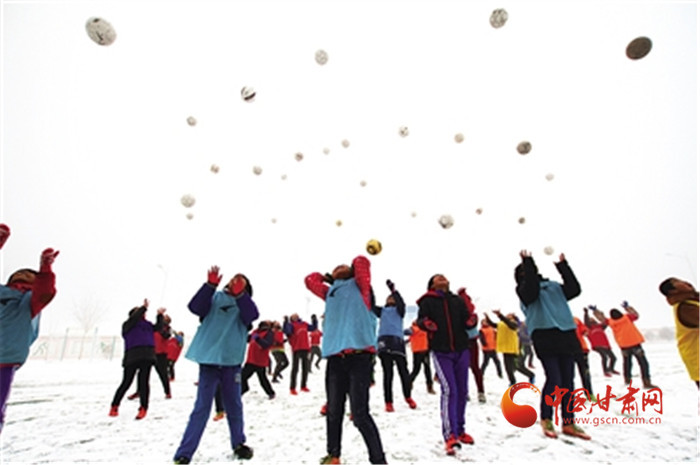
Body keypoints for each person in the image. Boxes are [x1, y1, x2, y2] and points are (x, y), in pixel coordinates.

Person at [305, 255, 386, 465]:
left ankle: (378, 460)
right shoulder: (330, 292)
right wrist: (327, 278)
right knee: (333, 411)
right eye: (336, 267)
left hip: (359, 357)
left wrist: (349, 271)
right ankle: (333, 456)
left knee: (360, 415)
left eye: (344, 266)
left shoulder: (362, 288)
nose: (339, 267)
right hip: (335, 359)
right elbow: (309, 280)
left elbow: (361, 261)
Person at [173, 267, 258, 463]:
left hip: (231, 363)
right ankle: (184, 453)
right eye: (233, 279)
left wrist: (241, 296)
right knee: (202, 408)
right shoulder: (215, 298)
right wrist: (209, 286)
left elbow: (252, 315)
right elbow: (195, 307)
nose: (235, 282)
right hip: (209, 363)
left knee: (234, 406)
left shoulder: (245, 305)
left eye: (240, 281)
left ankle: (239, 444)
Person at [515, 250, 590, 440]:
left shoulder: (554, 287)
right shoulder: (524, 291)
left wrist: (563, 267)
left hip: (566, 333)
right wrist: (528, 263)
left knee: (568, 381)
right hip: (544, 335)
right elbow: (531, 288)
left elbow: (574, 289)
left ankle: (569, 422)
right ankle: (546, 418)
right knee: (554, 378)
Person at [0, 225, 58, 434]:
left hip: (5, 361)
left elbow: (45, 292)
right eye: (19, 283)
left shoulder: (29, 303)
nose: (22, 288)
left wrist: (45, 269)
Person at [417, 274, 477, 456]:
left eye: (444, 277)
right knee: (449, 390)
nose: (442, 279)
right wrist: (426, 323)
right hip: (441, 351)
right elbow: (421, 320)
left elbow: (467, 320)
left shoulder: (457, 300)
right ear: (432, 284)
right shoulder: (427, 301)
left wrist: (471, 320)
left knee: (463, 391)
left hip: (462, 349)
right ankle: (450, 435)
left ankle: (460, 429)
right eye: (438, 278)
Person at [109, 299, 164, 419]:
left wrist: (159, 315)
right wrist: (143, 307)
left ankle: (143, 408)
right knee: (126, 382)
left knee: (144, 383)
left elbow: (158, 328)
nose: (143, 314)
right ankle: (114, 405)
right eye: (139, 312)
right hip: (132, 355)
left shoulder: (148, 325)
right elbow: (134, 318)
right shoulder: (128, 325)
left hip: (147, 355)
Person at [374, 279, 416, 412]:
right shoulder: (382, 311)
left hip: (397, 342)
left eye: (392, 298)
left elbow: (401, 303)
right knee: (388, 374)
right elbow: (370, 305)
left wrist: (393, 290)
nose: (390, 299)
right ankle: (388, 402)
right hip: (384, 342)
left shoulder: (400, 311)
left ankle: (408, 396)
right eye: (389, 298)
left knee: (403, 371)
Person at [592, 302, 656, 389]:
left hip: (624, 346)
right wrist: (627, 307)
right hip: (635, 343)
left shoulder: (611, 322)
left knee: (627, 363)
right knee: (643, 363)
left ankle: (627, 380)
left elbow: (601, 318)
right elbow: (636, 315)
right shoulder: (627, 317)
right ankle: (646, 381)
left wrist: (595, 311)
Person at [659, 278, 699, 388]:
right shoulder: (685, 308)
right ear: (673, 291)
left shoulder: (693, 301)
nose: (685, 282)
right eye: (678, 282)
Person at [487, 311, 535, 386]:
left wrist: (500, 315)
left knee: (518, 366)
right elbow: (494, 325)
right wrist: (487, 318)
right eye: (507, 315)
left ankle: (531, 375)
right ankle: (512, 381)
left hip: (515, 349)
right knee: (508, 368)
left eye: (510, 315)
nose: (508, 316)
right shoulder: (502, 324)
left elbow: (509, 323)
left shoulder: (514, 324)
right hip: (506, 349)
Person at [458, 288, 486, 404]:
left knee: (472, 368)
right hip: (465, 342)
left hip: (468, 342)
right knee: (467, 368)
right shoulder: (470, 315)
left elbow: (469, 325)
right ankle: (469, 392)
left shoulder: (472, 316)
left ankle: (479, 392)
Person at [283, 313, 317, 394]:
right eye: (293, 316)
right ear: (291, 318)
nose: (295, 317)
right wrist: (285, 322)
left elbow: (313, 328)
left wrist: (314, 320)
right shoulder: (291, 325)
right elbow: (287, 331)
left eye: (296, 316)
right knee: (295, 368)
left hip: (305, 347)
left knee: (305, 368)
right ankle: (292, 388)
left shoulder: (304, 324)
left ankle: (303, 386)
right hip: (296, 348)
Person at [241, 320, 276, 399]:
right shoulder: (255, 332)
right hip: (251, 359)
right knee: (261, 378)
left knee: (259, 378)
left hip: (259, 360)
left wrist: (258, 339)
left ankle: (244, 388)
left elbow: (266, 345)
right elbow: (247, 339)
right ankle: (271, 392)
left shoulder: (269, 333)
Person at [583, 306, 618, 377]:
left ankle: (611, 369)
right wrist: (586, 313)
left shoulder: (600, 326)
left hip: (606, 345)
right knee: (604, 357)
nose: (592, 319)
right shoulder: (589, 328)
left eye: (593, 319)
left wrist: (596, 310)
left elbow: (605, 321)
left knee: (613, 358)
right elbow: (586, 322)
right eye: (590, 319)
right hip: (597, 346)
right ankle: (605, 371)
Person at [406, 320, 435, 394]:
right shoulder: (415, 328)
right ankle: (409, 382)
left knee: (426, 369)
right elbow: (407, 332)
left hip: (424, 351)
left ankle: (429, 386)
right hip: (418, 352)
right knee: (417, 369)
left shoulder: (424, 328)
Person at [573, 316, 594, 400]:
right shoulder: (555, 320)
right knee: (568, 376)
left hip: (582, 349)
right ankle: (568, 397)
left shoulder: (576, 319)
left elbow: (584, 330)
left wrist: (585, 331)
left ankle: (589, 394)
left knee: (585, 373)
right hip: (566, 351)